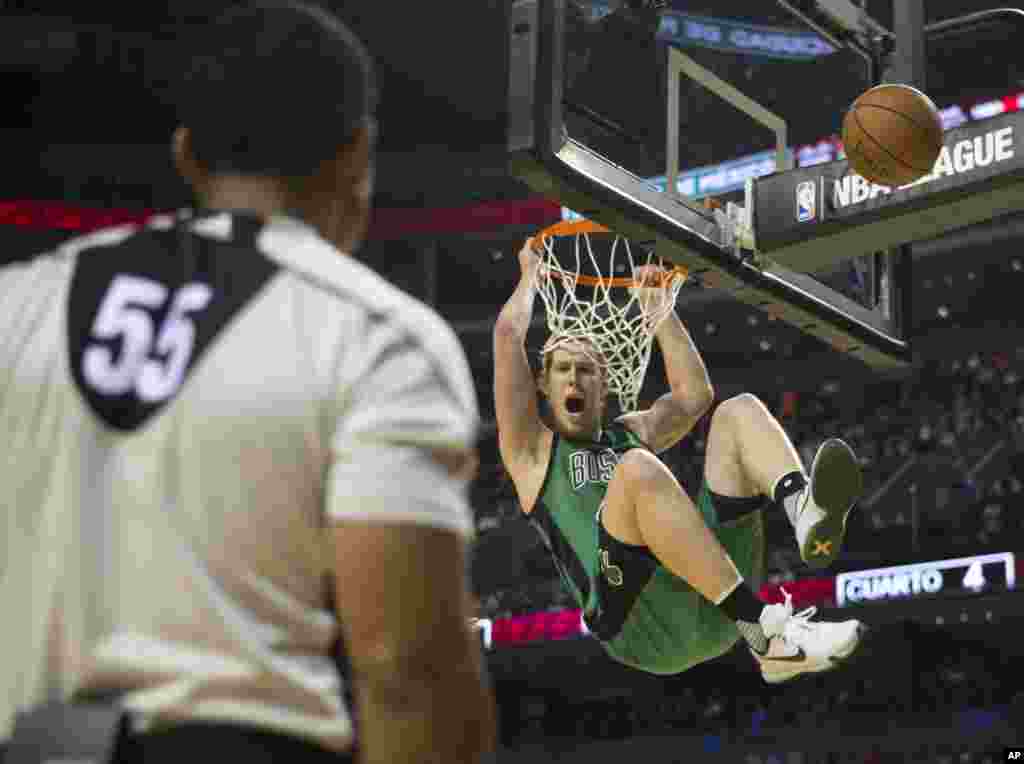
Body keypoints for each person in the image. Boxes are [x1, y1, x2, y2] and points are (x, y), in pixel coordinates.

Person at [0, 3, 494, 763]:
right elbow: (404, 672)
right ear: (358, 155)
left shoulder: (18, 302)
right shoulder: (378, 336)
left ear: (187, 156)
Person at [493, 239, 866, 684]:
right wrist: (530, 276)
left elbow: (695, 397)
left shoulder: (629, 431)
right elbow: (507, 337)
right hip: (639, 623)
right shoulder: (533, 453)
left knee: (737, 411)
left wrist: (660, 311)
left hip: (713, 603)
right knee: (635, 468)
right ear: (544, 385)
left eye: (586, 369)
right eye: (562, 369)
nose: (574, 377)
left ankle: (803, 510)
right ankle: (768, 633)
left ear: (603, 385)